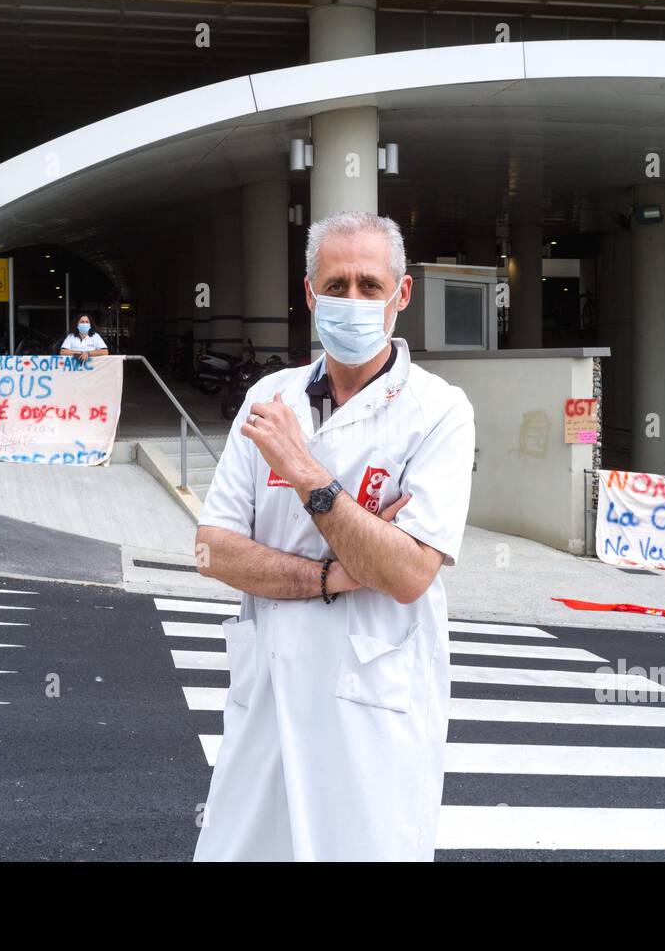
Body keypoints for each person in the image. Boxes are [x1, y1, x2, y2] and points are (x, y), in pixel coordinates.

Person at [192, 210, 476, 861]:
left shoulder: (439, 413)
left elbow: (406, 575)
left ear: (401, 296)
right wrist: (329, 573)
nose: (352, 300)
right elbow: (211, 548)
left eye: (370, 286)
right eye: (337, 284)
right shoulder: (270, 398)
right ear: (308, 293)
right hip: (267, 699)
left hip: (371, 718)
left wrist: (304, 473)